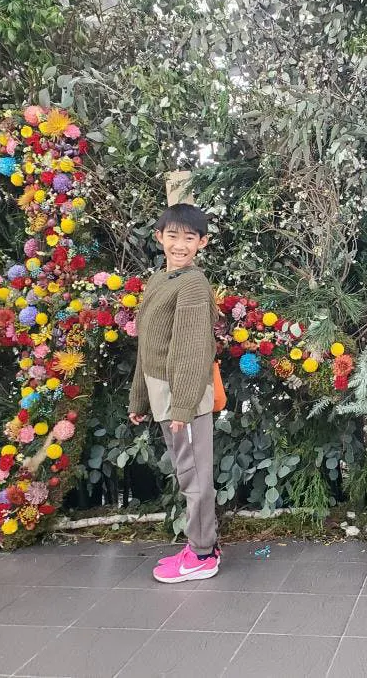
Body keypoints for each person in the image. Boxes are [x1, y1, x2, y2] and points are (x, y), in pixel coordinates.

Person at [128, 203, 221, 583]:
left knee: (195, 476)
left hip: (185, 397)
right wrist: (139, 398)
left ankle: (202, 554)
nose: (180, 245)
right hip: (164, 393)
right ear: (159, 237)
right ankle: (201, 545)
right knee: (188, 472)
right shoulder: (160, 280)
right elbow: (148, 346)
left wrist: (182, 405)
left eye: (189, 238)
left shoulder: (192, 284)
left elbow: (191, 349)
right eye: (172, 236)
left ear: (202, 242)